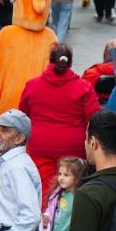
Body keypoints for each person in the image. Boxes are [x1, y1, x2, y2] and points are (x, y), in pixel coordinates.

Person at [19, 44, 101, 202]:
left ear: (50, 61)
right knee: (72, 191)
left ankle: (45, 221)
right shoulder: (84, 87)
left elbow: (23, 113)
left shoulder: (32, 85)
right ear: (69, 63)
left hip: (40, 146)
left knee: (44, 190)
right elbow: (94, 118)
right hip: (73, 148)